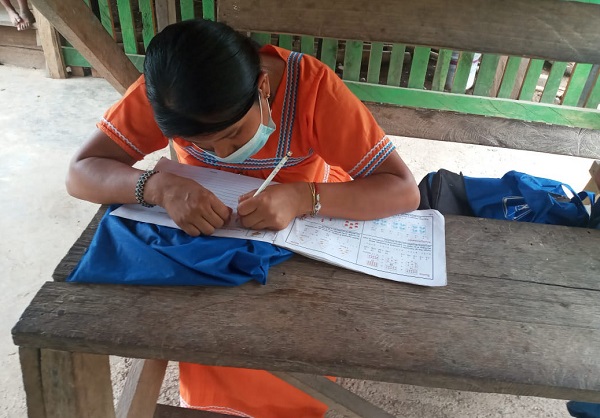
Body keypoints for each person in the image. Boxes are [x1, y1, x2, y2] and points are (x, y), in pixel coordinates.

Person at [66, 19, 420, 417]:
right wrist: (158, 188)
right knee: (205, 317)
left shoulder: (314, 89)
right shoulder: (171, 94)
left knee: (296, 323)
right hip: (210, 224)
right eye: (200, 145)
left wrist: (304, 197)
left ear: (263, 88)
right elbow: (81, 171)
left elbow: (403, 189)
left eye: (234, 134)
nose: (222, 153)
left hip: (302, 218)